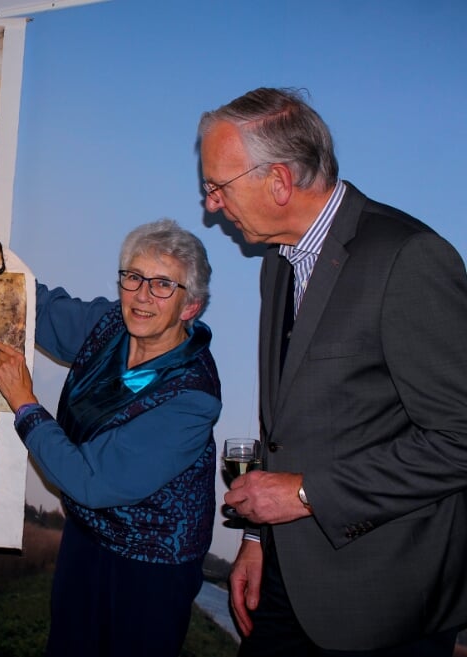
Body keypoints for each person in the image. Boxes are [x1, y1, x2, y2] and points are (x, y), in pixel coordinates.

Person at [199, 87, 467, 655]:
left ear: (278, 182)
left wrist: (306, 493)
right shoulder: (278, 264)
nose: (211, 205)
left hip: (383, 605)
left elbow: (459, 438)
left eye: (218, 186)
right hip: (286, 584)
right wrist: (256, 540)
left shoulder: (408, 258)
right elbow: (290, 428)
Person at [0, 219, 221, 657]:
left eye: (161, 285)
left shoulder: (192, 398)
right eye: (133, 277)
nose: (141, 295)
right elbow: (39, 307)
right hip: (88, 535)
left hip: (151, 566)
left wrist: (24, 403)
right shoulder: (111, 324)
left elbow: (91, 481)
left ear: (190, 306)